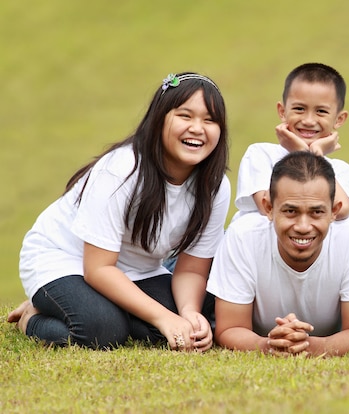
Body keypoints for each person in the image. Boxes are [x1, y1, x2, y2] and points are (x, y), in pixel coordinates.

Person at [6, 72, 230, 352]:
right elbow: (98, 268)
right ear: (159, 118)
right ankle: (33, 317)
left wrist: (187, 314)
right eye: (185, 116)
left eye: (210, 120)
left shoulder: (214, 186)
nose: (198, 128)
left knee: (198, 313)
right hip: (66, 259)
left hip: (136, 269)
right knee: (103, 330)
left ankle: (78, 304)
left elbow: (192, 270)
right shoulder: (122, 170)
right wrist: (164, 317)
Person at [207, 151, 349, 357]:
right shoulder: (242, 235)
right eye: (290, 211)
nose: (303, 227)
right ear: (268, 208)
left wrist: (305, 346)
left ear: (334, 211)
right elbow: (229, 328)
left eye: (316, 212)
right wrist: (267, 345)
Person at [232, 62, 349, 222]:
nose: (309, 120)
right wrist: (302, 154)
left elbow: (341, 209)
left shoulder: (340, 170)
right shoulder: (261, 154)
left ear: (339, 119)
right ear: (282, 112)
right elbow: (268, 206)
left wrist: (313, 156)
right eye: (299, 109)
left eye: (321, 111)